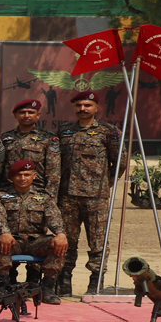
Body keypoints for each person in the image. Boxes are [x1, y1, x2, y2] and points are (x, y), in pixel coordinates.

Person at [57, 90, 122, 295]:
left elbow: (119, 161)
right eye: (79, 105)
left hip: (96, 197)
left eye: (87, 105)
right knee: (67, 240)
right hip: (67, 197)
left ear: (96, 108)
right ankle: (64, 279)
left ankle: (96, 281)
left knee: (98, 241)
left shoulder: (108, 132)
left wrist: (106, 183)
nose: (82, 109)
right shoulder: (64, 131)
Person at [0, 159, 68, 304]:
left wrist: (60, 233)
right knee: (1, 244)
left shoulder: (44, 197)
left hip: (36, 241)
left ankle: (47, 288)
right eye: (19, 175)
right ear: (12, 177)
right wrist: (4, 232)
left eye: (27, 175)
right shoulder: (0, 196)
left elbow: (54, 217)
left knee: (58, 244)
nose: (22, 178)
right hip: (13, 239)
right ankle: (4, 287)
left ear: (34, 176)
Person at [0, 98, 62, 193]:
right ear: (15, 115)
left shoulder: (48, 138)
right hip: (9, 191)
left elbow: (53, 171)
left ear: (38, 115)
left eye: (31, 112)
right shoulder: (5, 137)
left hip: (37, 191)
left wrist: (50, 195)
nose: (26, 116)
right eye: (22, 112)